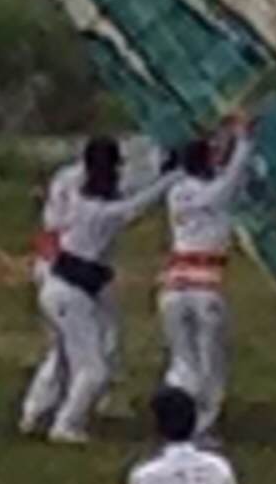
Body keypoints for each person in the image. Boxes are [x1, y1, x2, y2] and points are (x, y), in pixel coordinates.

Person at [22, 136, 170, 443]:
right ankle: (65, 424)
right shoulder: (102, 211)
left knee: (66, 354)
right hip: (69, 290)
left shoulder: (78, 195)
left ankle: (37, 412)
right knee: (93, 369)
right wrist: (175, 174)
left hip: (63, 284)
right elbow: (138, 204)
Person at [155, 119, 253, 430]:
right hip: (205, 284)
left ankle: (175, 413)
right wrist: (244, 139)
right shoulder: (216, 194)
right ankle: (203, 423)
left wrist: (224, 138)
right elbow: (235, 172)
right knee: (211, 360)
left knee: (182, 357)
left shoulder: (176, 192)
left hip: (173, 285)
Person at [16, 150, 86, 434]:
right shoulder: (79, 179)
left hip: (51, 261)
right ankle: (44, 409)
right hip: (62, 264)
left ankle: (42, 408)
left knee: (62, 347)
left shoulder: (65, 176)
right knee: (65, 349)